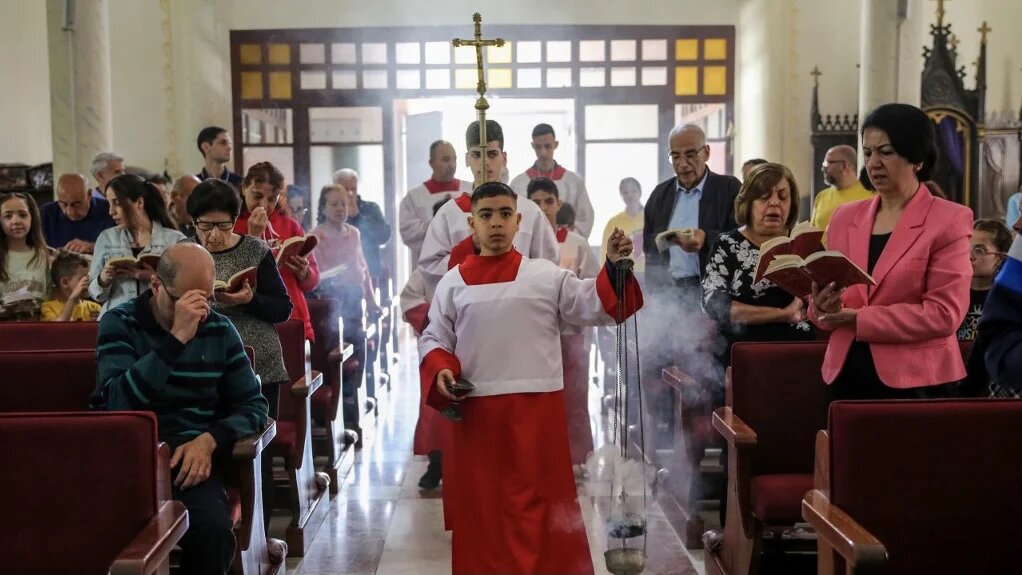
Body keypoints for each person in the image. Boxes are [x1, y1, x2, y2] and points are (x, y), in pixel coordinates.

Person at [420, 182, 642, 574]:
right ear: (472, 223)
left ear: (519, 221)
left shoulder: (545, 276)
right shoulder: (453, 283)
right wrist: (442, 368)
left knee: (543, 508)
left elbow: (593, 303)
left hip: (537, 417)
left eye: (505, 214)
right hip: (479, 418)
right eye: (486, 215)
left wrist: (613, 267)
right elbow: (435, 336)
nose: (496, 223)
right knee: (485, 510)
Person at [92, 242, 269, 575]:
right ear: (157, 285)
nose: (199, 312)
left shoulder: (219, 329)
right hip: (131, 459)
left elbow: (254, 404)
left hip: (188, 459)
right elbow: (118, 403)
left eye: (206, 298)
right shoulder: (120, 323)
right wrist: (175, 341)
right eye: (188, 300)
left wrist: (211, 439)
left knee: (213, 532)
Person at [810, 103, 973, 400]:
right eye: (868, 152)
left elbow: (944, 314)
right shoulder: (844, 218)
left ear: (917, 159)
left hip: (918, 381)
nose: (873, 163)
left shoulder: (949, 219)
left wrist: (859, 320)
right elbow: (826, 300)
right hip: (845, 372)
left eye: (886, 152)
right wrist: (821, 307)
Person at [418, 119, 559, 291]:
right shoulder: (448, 214)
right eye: (476, 155)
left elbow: (548, 266)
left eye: (492, 154)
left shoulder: (529, 212)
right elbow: (429, 269)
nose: (485, 162)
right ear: (467, 159)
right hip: (468, 308)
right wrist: (470, 247)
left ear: (504, 158)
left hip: (519, 306)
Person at [702, 163, 815, 370]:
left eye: (783, 197)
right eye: (764, 197)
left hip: (801, 352)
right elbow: (715, 305)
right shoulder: (727, 245)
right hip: (743, 354)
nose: (774, 204)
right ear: (748, 203)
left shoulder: (806, 244)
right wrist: (783, 314)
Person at [528, 177, 599, 470]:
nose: (543, 208)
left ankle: (578, 459)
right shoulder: (521, 246)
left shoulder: (577, 243)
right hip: (533, 337)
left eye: (548, 201)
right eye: (536, 203)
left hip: (570, 335)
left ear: (558, 204)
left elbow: (592, 287)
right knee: (538, 401)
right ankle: (539, 458)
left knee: (574, 399)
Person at [234, 161, 319, 341]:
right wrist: (254, 237)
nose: (264, 205)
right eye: (257, 196)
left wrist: (304, 273)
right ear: (243, 189)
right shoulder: (232, 226)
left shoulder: (290, 225)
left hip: (294, 318)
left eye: (272, 199)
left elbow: (313, 281)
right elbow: (236, 279)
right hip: (253, 321)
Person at [403, 197, 450, 491]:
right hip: (437, 348)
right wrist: (438, 324)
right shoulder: (426, 269)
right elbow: (410, 301)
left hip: (472, 347)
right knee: (436, 409)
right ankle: (436, 464)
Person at [89, 175, 185, 317]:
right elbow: (95, 294)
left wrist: (154, 277)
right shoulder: (106, 238)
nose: (111, 211)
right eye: (109, 203)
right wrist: (103, 279)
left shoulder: (175, 240)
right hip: (116, 321)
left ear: (139, 202)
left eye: (117, 203)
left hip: (160, 322)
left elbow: (186, 287)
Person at [509, 123, 595, 238]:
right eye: (538, 147)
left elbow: (585, 218)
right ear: (532, 146)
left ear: (556, 144)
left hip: (565, 244)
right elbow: (511, 218)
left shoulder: (574, 181)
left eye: (547, 146)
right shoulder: (518, 183)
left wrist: (567, 237)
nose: (543, 152)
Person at [399, 140, 473, 267]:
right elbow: (409, 233)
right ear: (431, 163)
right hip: (429, 270)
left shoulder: (471, 190)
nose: (451, 164)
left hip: (466, 266)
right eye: (445, 159)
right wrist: (437, 222)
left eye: (454, 159)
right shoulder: (414, 197)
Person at [310, 184, 379, 318]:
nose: (340, 209)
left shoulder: (354, 233)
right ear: (323, 209)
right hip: (329, 301)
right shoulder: (314, 237)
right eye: (334, 204)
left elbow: (363, 268)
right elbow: (316, 276)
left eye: (344, 204)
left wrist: (371, 300)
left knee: (356, 336)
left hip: (356, 298)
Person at [332, 168, 391, 291]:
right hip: (340, 275)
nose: (350, 194)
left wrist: (358, 216)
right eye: (345, 189)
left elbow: (384, 236)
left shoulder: (371, 208)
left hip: (371, 270)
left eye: (353, 189)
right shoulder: (329, 211)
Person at [957, 219, 1011, 342]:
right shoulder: (951, 293)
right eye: (966, 249)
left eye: (979, 251)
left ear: (1000, 258)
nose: (970, 256)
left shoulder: (1008, 299)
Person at [810, 145, 875, 245]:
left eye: (827, 163)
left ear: (844, 165)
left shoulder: (870, 195)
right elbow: (811, 235)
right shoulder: (821, 196)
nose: (823, 168)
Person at [0, 192, 50, 320]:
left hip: (41, 328)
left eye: (22, 215)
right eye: (8, 216)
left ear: (32, 217)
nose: (16, 221)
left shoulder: (45, 256)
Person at [40, 173, 116, 253]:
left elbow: (123, 247)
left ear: (89, 194)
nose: (70, 212)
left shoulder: (110, 210)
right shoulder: (47, 213)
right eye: (63, 204)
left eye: (76, 204)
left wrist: (93, 247)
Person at [600, 177, 645, 273]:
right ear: (621, 195)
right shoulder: (613, 223)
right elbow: (605, 251)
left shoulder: (650, 217)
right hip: (623, 274)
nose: (630, 195)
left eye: (633, 191)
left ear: (639, 192)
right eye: (625, 192)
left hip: (650, 273)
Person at [41, 250, 100, 321]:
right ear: (64, 282)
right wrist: (72, 298)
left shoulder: (94, 307)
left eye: (90, 278)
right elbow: (57, 328)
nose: (89, 282)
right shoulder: (48, 307)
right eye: (84, 279)